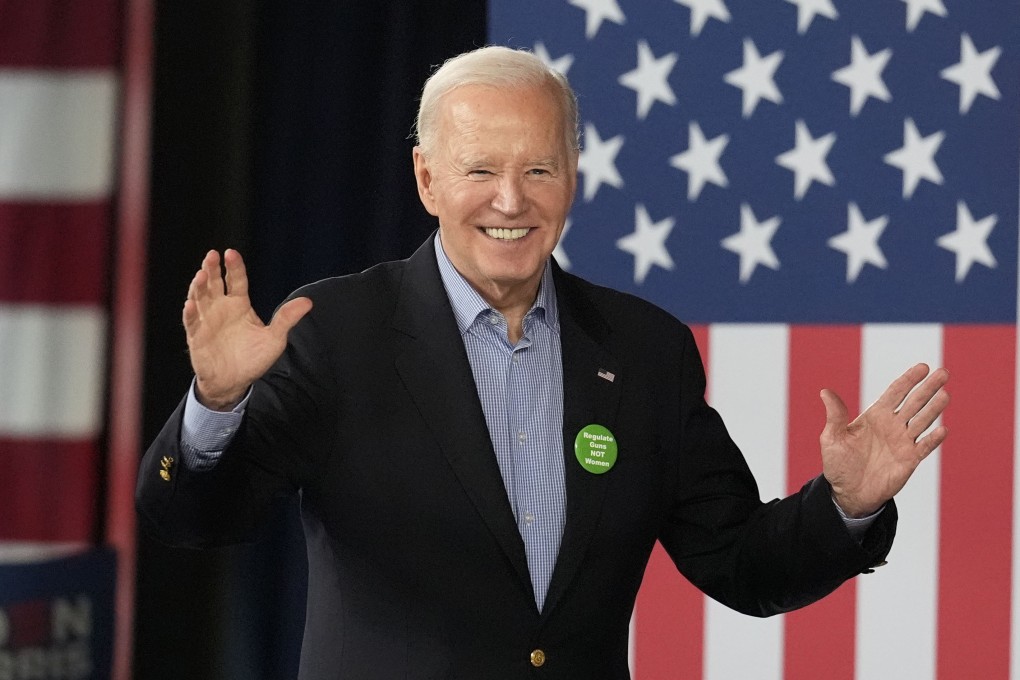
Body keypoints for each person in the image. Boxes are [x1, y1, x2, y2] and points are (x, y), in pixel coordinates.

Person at [137, 46, 950, 679]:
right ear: (426, 178)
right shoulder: (336, 332)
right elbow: (198, 520)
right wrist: (216, 402)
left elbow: (741, 562)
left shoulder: (643, 351)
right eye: (480, 169)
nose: (510, 200)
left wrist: (845, 505)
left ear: (573, 177)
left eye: (538, 169)